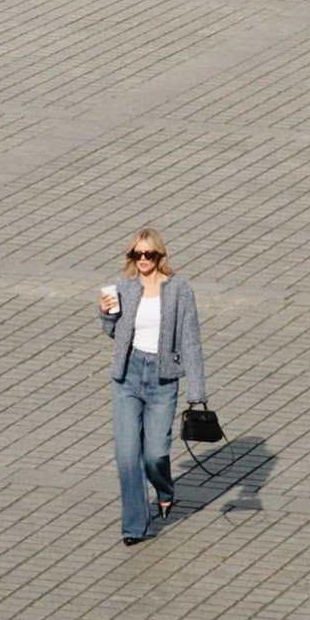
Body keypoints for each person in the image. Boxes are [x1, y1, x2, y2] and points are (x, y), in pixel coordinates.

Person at [99, 229, 207, 544]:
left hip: (162, 378)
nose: (143, 260)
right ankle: (135, 526)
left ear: (160, 256)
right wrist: (105, 314)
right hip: (128, 375)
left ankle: (165, 489)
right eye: (137, 254)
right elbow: (113, 332)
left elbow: (190, 340)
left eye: (149, 254)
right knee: (126, 455)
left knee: (156, 454)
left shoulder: (179, 290)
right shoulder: (124, 286)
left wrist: (197, 391)